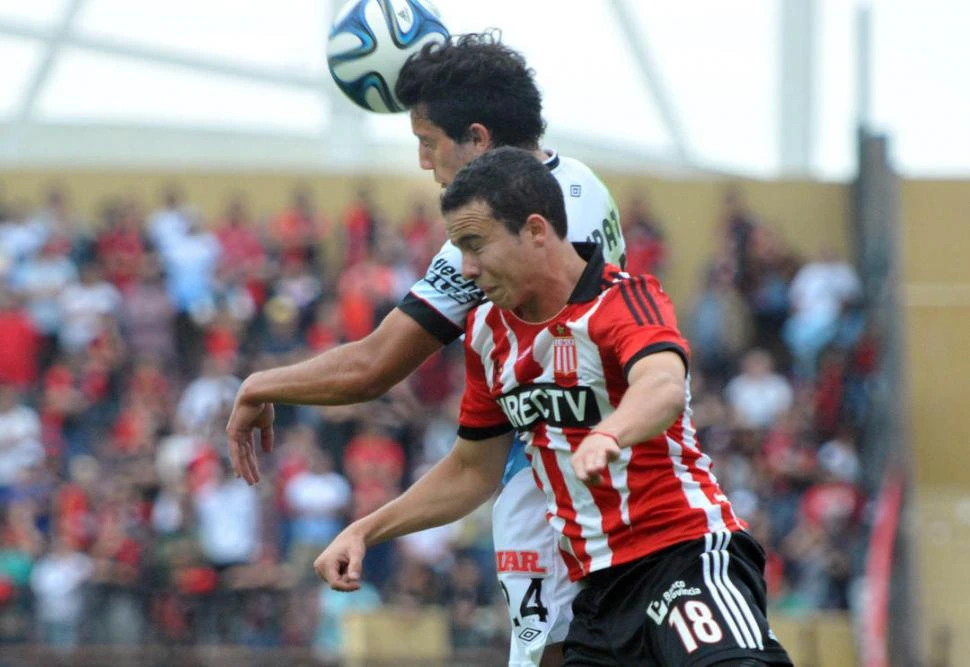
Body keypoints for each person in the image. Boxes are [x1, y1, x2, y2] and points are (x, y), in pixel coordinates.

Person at [227, 32, 624, 666]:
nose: (423, 162)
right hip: (605, 471)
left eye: (428, 143)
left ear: (478, 139)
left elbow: (375, 364)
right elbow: (471, 464)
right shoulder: (580, 182)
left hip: (560, 491)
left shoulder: (504, 234)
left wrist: (258, 384)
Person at [315, 148, 792, 666]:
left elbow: (661, 385)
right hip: (597, 596)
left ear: (536, 230)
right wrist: (364, 529)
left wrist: (610, 433)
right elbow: (471, 471)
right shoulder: (486, 334)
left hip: (684, 556)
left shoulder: (623, 299)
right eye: (458, 249)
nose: (467, 269)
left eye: (475, 245)